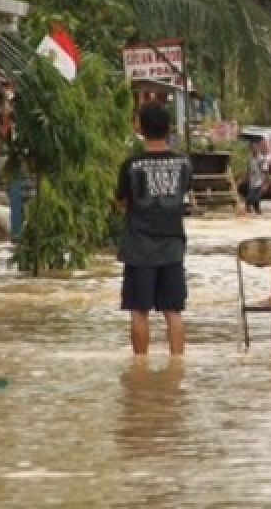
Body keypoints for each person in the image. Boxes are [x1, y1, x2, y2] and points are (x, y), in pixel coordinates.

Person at [115, 102, 192, 356]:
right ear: (169, 128)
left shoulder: (131, 165)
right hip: (172, 246)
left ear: (140, 128)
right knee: (173, 312)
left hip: (139, 247)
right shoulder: (184, 164)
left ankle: (140, 367)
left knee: (139, 311)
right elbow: (184, 195)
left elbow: (122, 202)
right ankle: (177, 365)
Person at [245, 142, 265, 215]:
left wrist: (264, 182)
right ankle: (257, 210)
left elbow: (264, 171)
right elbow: (248, 169)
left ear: (258, 148)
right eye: (252, 148)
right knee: (252, 195)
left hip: (259, 180)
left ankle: (253, 208)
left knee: (255, 197)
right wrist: (247, 177)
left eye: (255, 147)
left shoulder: (261, 158)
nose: (254, 149)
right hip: (252, 180)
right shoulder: (250, 158)